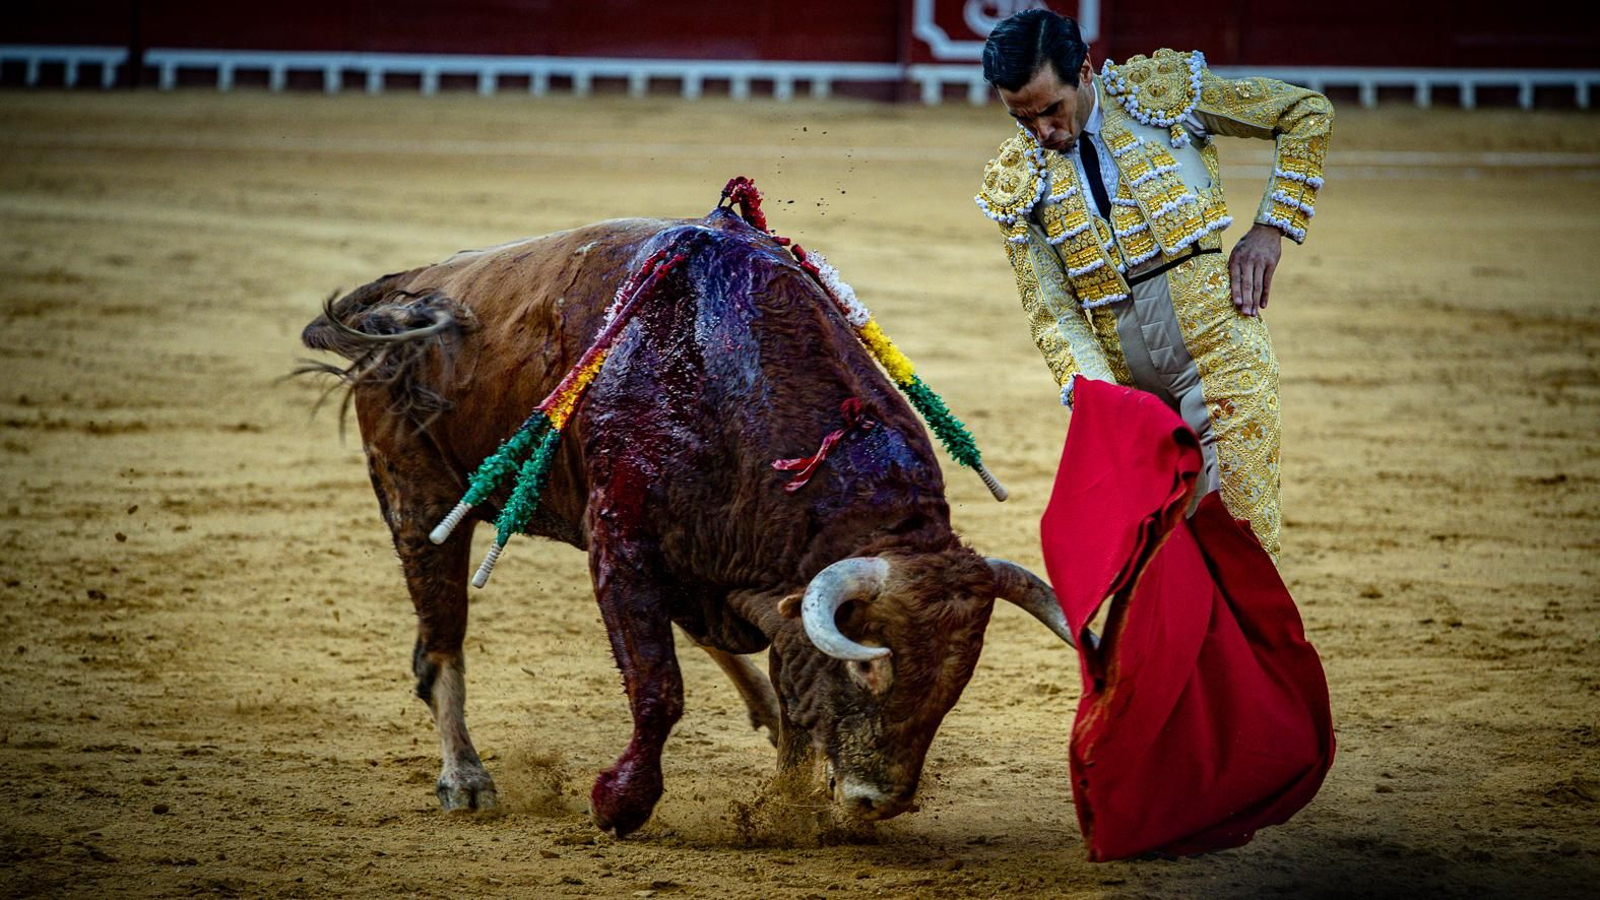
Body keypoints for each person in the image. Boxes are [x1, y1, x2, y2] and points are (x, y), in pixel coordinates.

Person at [975, 10, 1333, 561]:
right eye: (1022, 118)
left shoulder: (1163, 96)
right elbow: (1054, 313)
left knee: (1240, 547)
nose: (1043, 132)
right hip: (1130, 391)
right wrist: (1102, 400)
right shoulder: (1019, 181)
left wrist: (1271, 227)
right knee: (1163, 562)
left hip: (1220, 357)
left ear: (1085, 70)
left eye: (1051, 109)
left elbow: (1305, 113)